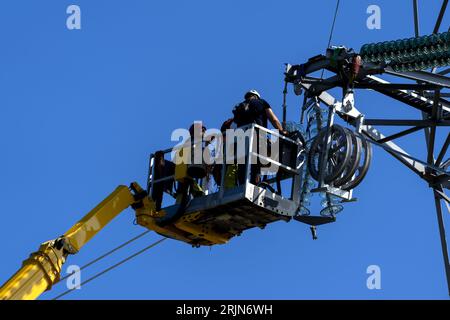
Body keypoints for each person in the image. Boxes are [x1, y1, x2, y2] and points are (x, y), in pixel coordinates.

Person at [232, 90, 287, 185]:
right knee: (256, 162)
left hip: (240, 137)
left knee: (242, 164)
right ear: (256, 96)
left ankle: (241, 186)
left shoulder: (239, 106)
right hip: (256, 134)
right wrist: (282, 131)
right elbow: (273, 119)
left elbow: (233, 125)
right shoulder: (261, 102)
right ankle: (255, 185)